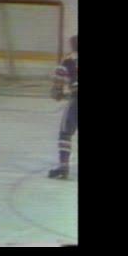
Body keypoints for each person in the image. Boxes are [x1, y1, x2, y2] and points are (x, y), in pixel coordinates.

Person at [48, 35, 78, 179]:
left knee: (65, 133)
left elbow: (56, 91)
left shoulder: (68, 61)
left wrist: (58, 93)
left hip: (76, 101)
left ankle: (63, 166)